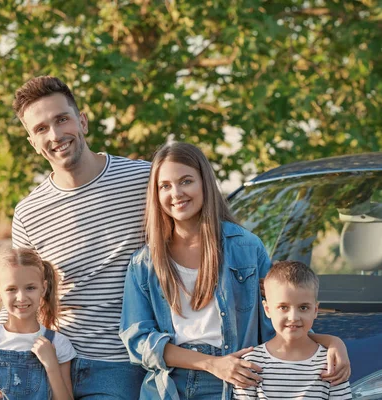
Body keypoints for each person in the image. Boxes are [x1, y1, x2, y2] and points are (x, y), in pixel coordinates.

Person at [119, 142, 351, 400]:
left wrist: (331, 342)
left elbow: (278, 315)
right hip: (169, 388)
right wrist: (210, 363)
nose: (176, 193)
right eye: (165, 186)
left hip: (238, 385)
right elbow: (138, 341)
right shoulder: (145, 263)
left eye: (186, 181)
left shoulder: (246, 248)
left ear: (204, 183)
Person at [0, 76, 151, 399]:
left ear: (81, 121)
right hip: (41, 361)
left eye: (61, 119)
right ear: (32, 143)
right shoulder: (28, 212)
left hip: (117, 365)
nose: (54, 135)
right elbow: (18, 295)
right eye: (40, 129)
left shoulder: (142, 181)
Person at [0, 248, 76, 400]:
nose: (21, 297)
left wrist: (51, 366)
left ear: (43, 289)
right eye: (11, 289)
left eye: (30, 288)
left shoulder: (58, 344)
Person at [233, 260, 352, 400]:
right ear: (267, 309)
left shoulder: (330, 363)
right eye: (283, 307)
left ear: (315, 310)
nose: (293, 317)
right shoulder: (252, 362)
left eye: (303, 308)